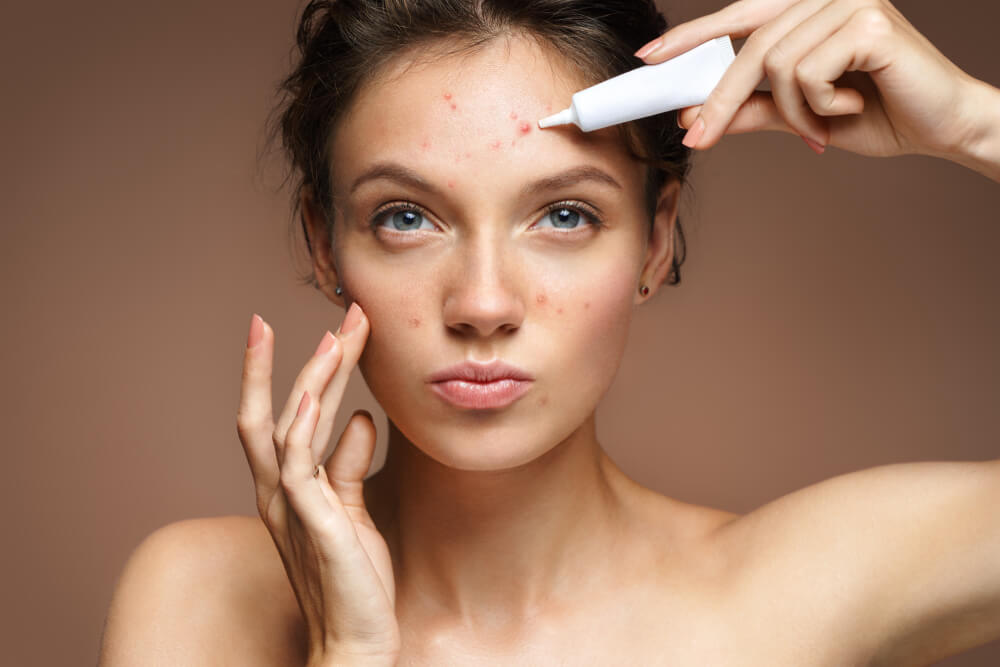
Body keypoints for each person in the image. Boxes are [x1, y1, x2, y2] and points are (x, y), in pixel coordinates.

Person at [97, 1, 1000, 665]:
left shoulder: (798, 591)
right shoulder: (201, 599)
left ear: (654, 239)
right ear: (323, 244)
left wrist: (975, 122)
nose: (483, 303)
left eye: (563, 214)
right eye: (407, 218)